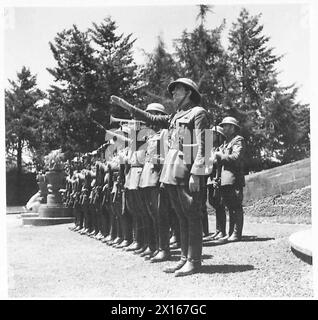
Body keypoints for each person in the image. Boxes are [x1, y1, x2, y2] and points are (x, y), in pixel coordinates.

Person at [110, 77, 209, 276]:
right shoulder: (176, 115)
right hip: (171, 171)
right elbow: (152, 119)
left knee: (191, 215)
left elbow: (204, 145)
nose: (173, 94)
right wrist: (128, 107)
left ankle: (194, 260)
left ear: (189, 92)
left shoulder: (198, 113)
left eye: (177, 91)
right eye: (173, 92)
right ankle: (184, 259)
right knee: (181, 216)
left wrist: (197, 174)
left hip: (186, 170)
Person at [213, 116, 245, 242]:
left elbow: (236, 157)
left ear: (232, 127)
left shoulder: (238, 140)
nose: (223, 127)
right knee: (230, 207)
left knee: (236, 207)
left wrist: (221, 156)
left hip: (234, 179)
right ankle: (231, 233)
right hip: (225, 180)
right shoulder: (226, 143)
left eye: (225, 125)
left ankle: (236, 234)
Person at [206, 125, 227, 241]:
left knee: (219, 205)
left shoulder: (221, 149)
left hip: (217, 178)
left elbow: (219, 164)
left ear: (218, 135)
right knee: (212, 202)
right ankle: (217, 230)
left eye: (212, 134)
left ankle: (222, 231)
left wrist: (217, 179)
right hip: (210, 178)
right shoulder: (210, 148)